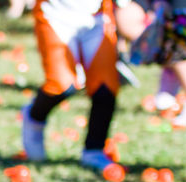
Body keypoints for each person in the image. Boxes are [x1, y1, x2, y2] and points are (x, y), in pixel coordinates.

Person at [21, 0, 121, 171]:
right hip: (55, 14)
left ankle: (94, 150)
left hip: (96, 17)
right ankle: (34, 116)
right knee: (61, 84)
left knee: (105, 87)